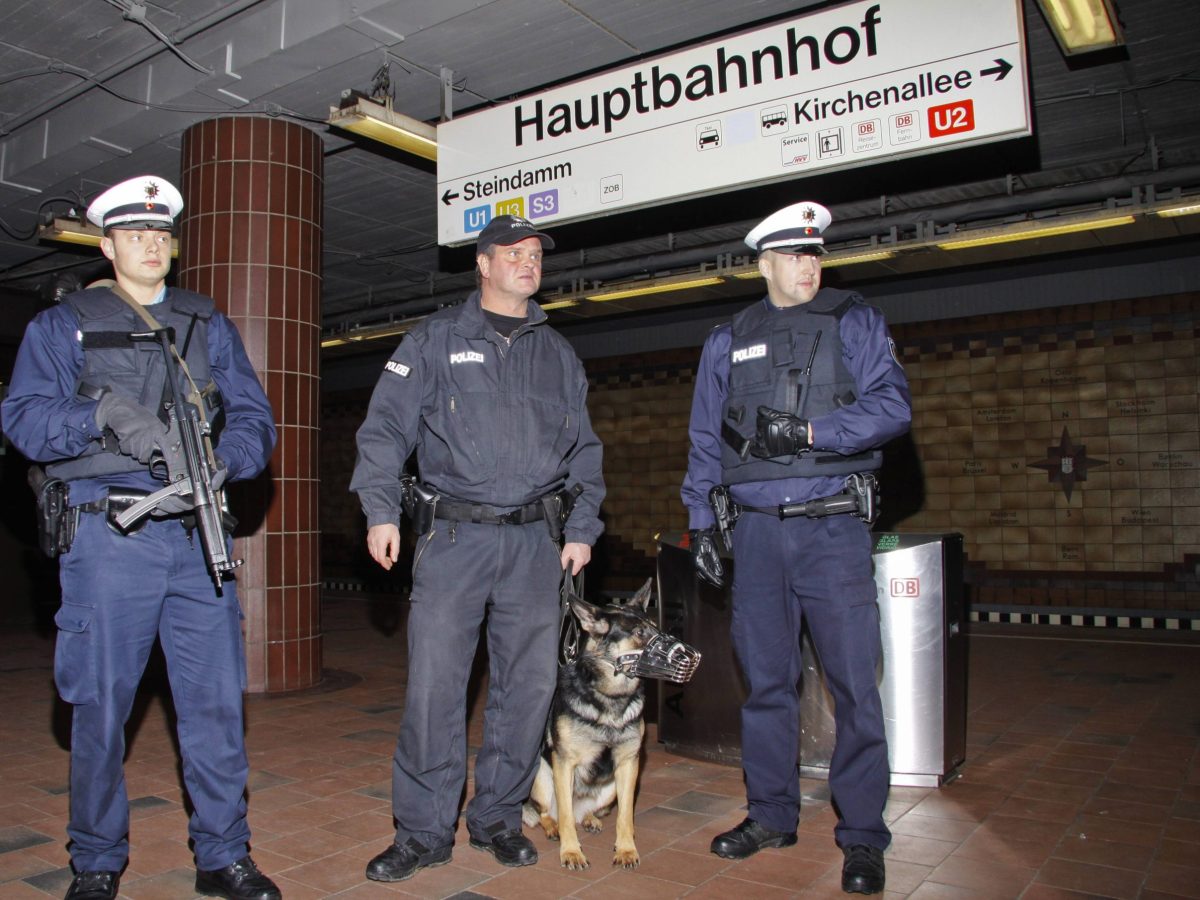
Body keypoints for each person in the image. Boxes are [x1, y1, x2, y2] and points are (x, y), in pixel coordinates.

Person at [1, 176, 279, 900]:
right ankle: (96, 861)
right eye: (134, 235)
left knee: (215, 706)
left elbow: (254, 415)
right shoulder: (65, 324)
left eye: (161, 235)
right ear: (107, 244)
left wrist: (230, 459)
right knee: (100, 706)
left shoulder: (204, 322)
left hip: (195, 538)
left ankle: (224, 856)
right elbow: (24, 419)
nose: (150, 244)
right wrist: (100, 419)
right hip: (108, 541)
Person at [351, 214, 605, 882]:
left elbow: (585, 451)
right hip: (455, 538)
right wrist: (381, 511)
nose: (529, 262)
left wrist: (582, 528)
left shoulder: (557, 354)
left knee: (528, 687)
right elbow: (383, 432)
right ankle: (423, 831)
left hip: (534, 545)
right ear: (483, 265)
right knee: (436, 689)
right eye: (514, 253)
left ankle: (496, 816)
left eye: (536, 255)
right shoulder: (434, 341)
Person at [681, 201, 911, 895]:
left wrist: (812, 435)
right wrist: (701, 523)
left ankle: (864, 837)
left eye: (815, 255)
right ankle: (772, 815)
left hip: (832, 529)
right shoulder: (728, 337)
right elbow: (704, 440)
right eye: (794, 256)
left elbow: (893, 407)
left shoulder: (856, 321)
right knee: (766, 683)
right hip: (755, 536)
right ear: (764, 264)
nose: (808, 266)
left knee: (852, 686)